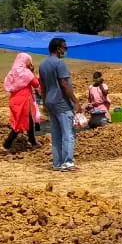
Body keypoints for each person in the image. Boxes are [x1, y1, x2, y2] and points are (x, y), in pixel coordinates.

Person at [40, 37, 80, 171]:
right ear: (58, 49)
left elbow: (42, 86)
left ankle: (57, 163)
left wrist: (45, 102)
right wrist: (75, 101)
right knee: (68, 133)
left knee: (56, 134)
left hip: (50, 102)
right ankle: (68, 162)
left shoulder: (43, 64)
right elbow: (64, 84)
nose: (65, 50)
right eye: (65, 48)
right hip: (62, 102)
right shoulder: (59, 64)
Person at [2, 52, 40, 152]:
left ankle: (33, 142)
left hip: (14, 101)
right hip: (24, 101)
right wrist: (32, 72)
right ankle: (7, 144)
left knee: (25, 121)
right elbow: (36, 84)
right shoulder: (26, 73)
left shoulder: (11, 72)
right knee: (20, 124)